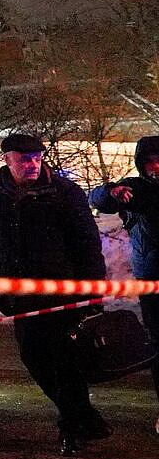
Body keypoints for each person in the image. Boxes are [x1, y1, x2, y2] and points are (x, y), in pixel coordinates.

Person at [0, 132, 109, 455]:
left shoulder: (64, 192)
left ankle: (71, 428)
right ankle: (83, 415)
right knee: (33, 358)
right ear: (7, 159)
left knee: (65, 362)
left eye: (37, 158)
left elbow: (87, 244)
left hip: (62, 292)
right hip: (23, 293)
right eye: (24, 159)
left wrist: (92, 292)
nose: (32, 164)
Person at [90, 134, 159, 435]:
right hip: (153, 280)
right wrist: (111, 191)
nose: (156, 166)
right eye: (150, 162)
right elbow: (97, 199)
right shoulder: (139, 188)